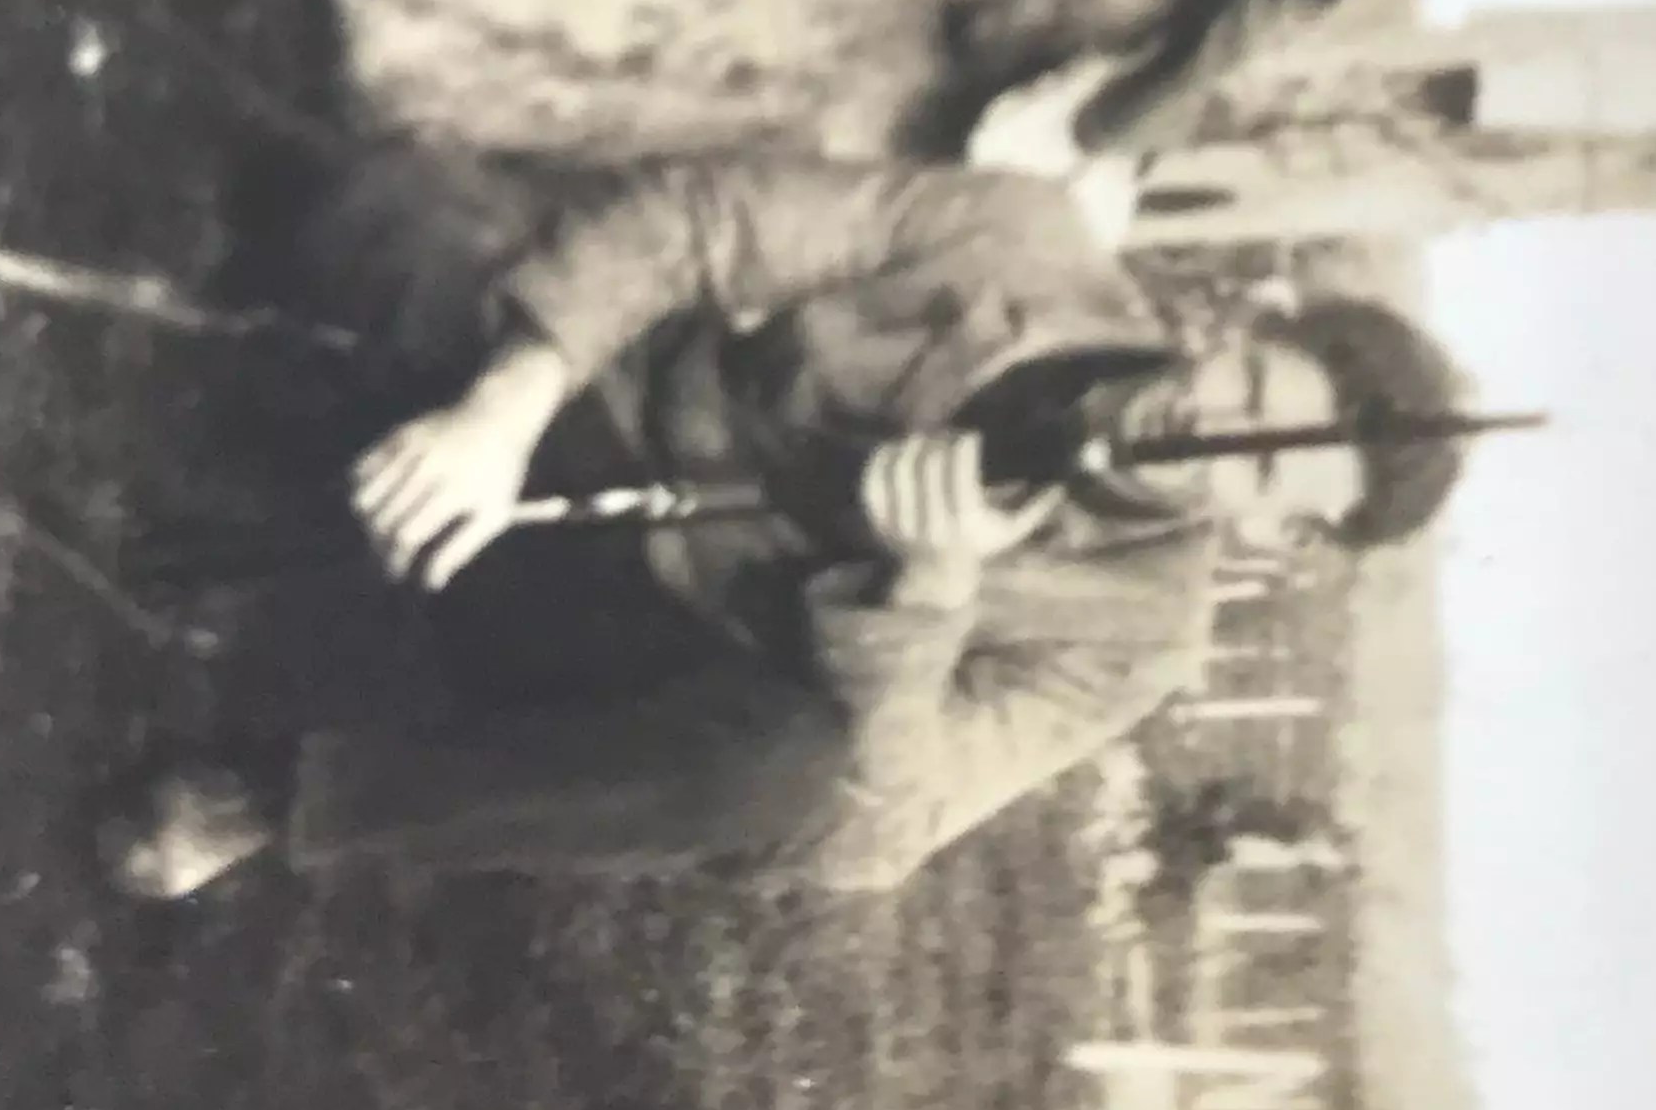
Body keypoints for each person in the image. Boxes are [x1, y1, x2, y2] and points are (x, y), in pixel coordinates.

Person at [104, 141, 1472, 902]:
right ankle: (293, 438)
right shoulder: (1025, 236)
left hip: (627, 668)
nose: (1199, 434)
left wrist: (924, 601)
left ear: (1281, 543)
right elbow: (711, 217)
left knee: (780, 777)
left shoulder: (1141, 637)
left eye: (1257, 473)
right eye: (1243, 390)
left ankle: (276, 799)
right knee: (394, 210)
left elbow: (882, 840)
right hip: (576, 443)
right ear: (1243, 326)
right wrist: (511, 408)